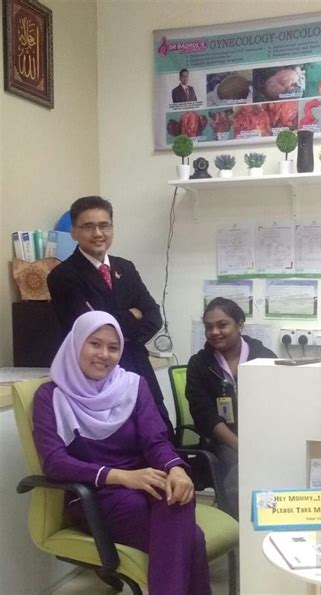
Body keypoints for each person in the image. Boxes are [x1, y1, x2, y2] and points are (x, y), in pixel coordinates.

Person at [33, 311, 211, 595]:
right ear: (76, 343)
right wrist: (121, 477)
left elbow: (155, 441)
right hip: (93, 495)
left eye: (113, 347)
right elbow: (54, 462)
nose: (104, 354)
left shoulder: (133, 385)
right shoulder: (50, 396)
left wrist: (176, 469)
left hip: (144, 483)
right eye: (95, 343)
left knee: (179, 495)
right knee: (192, 538)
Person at [47, 196, 174, 441]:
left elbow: (153, 315)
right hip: (97, 378)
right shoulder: (62, 276)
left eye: (104, 225)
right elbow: (88, 330)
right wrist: (132, 315)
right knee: (117, 444)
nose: (98, 233)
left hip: (138, 369)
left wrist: (116, 323)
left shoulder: (125, 268)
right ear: (74, 232)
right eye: (88, 226)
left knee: (161, 436)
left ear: (112, 228)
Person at [186, 298, 276, 519]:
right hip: (223, 440)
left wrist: (260, 442)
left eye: (222, 325)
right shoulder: (199, 364)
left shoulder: (264, 358)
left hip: (263, 436)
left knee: (278, 462)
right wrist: (240, 445)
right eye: (209, 327)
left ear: (240, 324)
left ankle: (273, 523)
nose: (215, 332)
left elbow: (279, 405)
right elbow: (204, 415)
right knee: (241, 470)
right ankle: (241, 529)